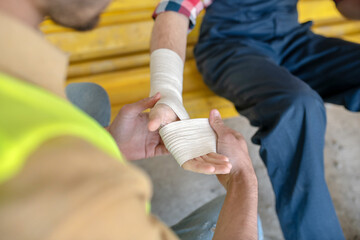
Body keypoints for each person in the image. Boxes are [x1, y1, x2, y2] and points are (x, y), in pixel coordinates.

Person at [0, 0, 262, 239]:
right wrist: (242, 177)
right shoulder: (89, 194)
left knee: (89, 96)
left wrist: (110, 141)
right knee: (241, 217)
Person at [148, 0, 360, 239]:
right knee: (298, 108)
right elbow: (175, 10)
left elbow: (347, 6)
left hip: (293, 40)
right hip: (230, 48)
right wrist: (167, 92)